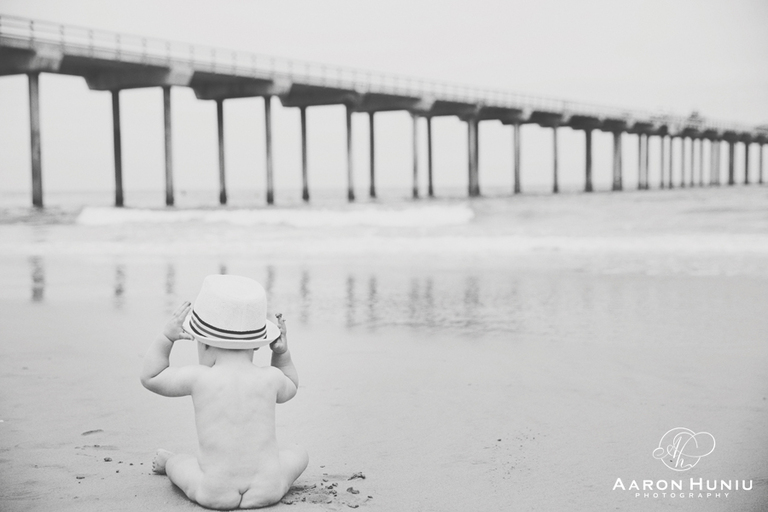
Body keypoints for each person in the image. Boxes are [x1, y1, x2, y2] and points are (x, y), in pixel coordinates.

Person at [140, 275, 308, 509]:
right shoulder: (270, 377)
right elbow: (291, 384)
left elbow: (151, 377)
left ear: (204, 344)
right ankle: (268, 475)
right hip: (267, 488)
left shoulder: (200, 377)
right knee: (298, 453)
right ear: (257, 344)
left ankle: (168, 462)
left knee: (182, 464)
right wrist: (281, 354)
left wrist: (166, 337)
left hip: (214, 490)